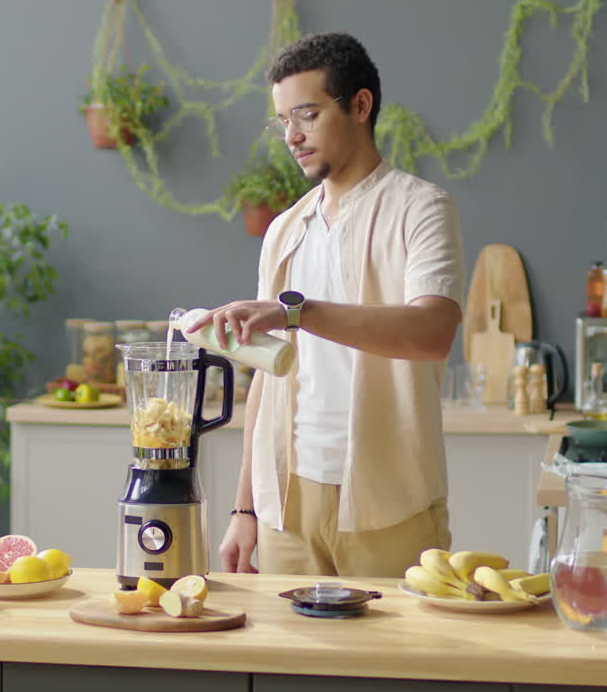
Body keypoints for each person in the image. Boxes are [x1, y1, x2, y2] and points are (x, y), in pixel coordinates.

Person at [188, 31, 465, 578]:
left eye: (307, 115)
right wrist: (244, 508)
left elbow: (432, 333)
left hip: (392, 501)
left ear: (360, 105)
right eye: (282, 121)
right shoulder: (285, 230)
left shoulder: (423, 209)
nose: (291, 136)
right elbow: (266, 378)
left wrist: (298, 313)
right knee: (288, 664)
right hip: (286, 506)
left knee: (393, 664)